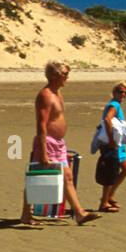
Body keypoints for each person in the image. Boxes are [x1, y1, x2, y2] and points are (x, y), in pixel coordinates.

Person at [20, 60, 98, 227]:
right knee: (38, 178)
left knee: (67, 176)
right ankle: (26, 215)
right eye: (65, 74)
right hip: (47, 143)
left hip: (58, 143)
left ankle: (79, 213)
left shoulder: (58, 93)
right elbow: (41, 124)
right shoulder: (45, 95)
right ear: (55, 75)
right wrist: (43, 152)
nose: (67, 77)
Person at [99, 81, 126, 211]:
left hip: (118, 144)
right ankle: (104, 202)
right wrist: (111, 140)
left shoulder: (116, 105)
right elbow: (108, 120)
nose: (123, 94)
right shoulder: (114, 105)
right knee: (111, 172)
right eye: (120, 92)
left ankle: (110, 195)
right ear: (114, 92)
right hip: (113, 144)